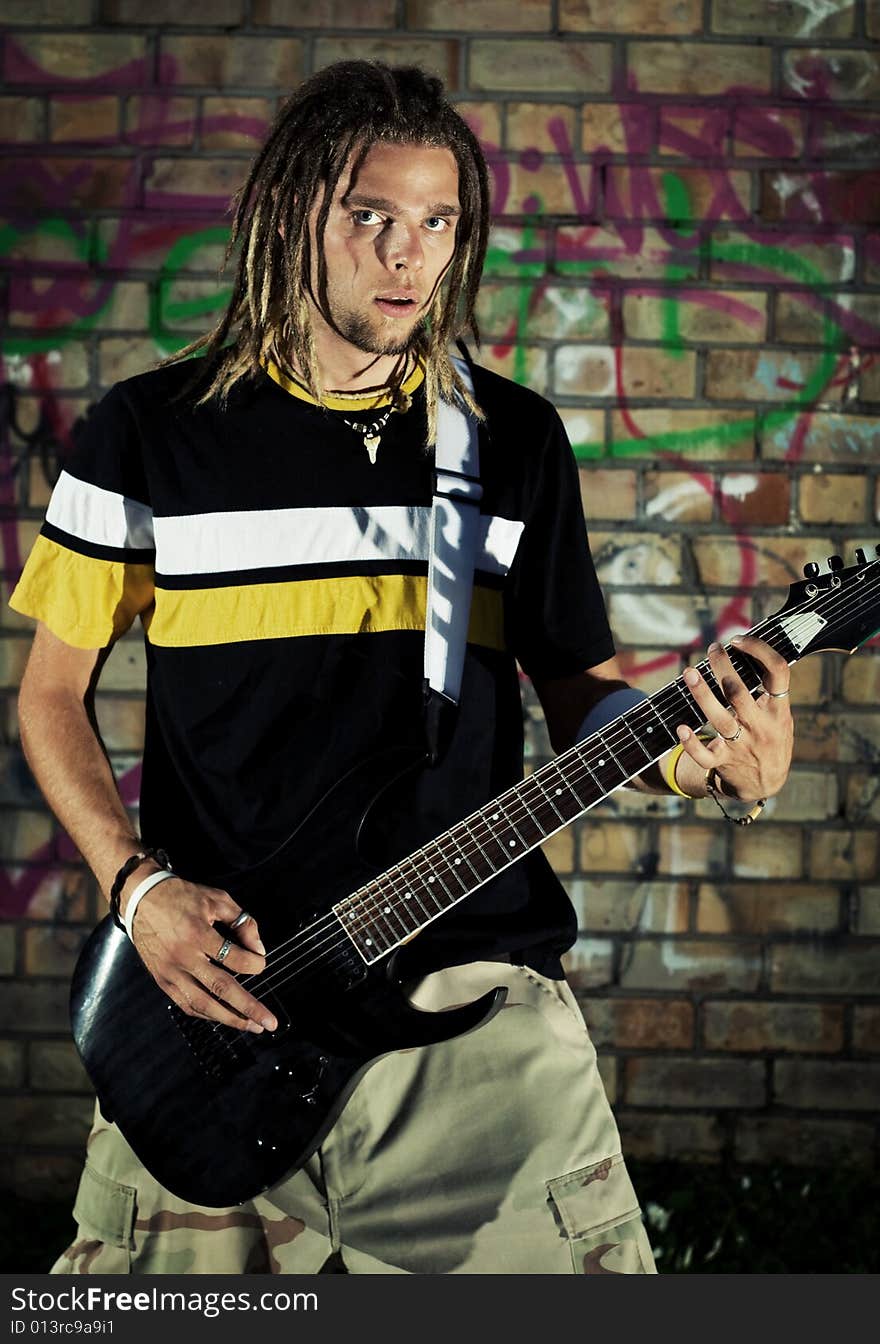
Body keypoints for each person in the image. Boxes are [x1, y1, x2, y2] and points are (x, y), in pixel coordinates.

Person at [10, 62, 793, 1276]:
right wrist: (136, 891)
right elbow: (49, 696)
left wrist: (698, 761)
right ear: (291, 218)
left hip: (470, 1008)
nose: (406, 256)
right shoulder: (143, 435)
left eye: (436, 223)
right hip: (221, 1009)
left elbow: (584, 690)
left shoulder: (512, 439)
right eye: (371, 216)